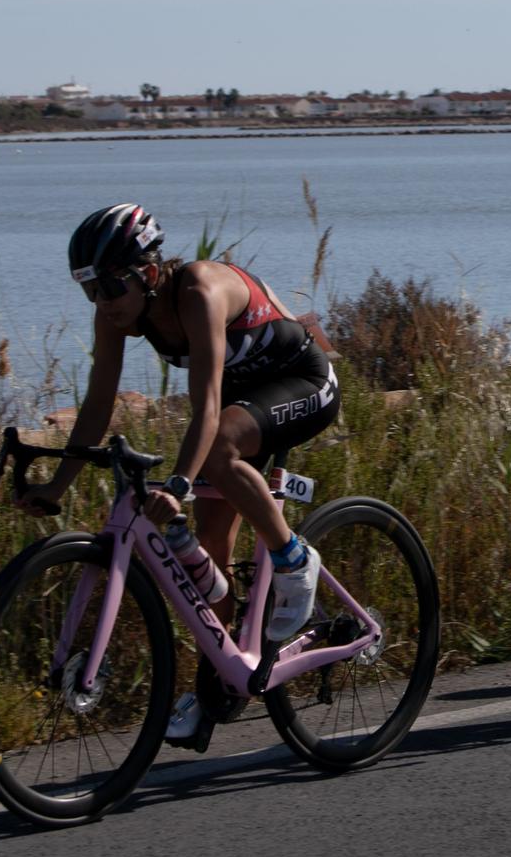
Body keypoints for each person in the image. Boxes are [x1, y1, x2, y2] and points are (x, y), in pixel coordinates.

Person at [21, 203, 341, 748]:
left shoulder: (198, 292)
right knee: (210, 551)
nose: (102, 301)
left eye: (110, 286)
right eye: (89, 290)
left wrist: (179, 485)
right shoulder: (117, 312)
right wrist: (57, 485)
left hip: (304, 382)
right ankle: (222, 678)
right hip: (247, 401)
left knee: (215, 451)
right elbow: (97, 407)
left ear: (148, 272)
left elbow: (208, 407)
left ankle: (294, 560)